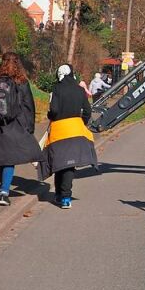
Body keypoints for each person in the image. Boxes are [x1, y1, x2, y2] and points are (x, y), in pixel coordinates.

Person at [0, 52, 43, 206]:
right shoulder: (21, 81)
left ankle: (2, 188)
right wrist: (29, 127)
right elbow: (28, 106)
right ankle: (4, 192)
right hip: (14, 124)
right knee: (9, 159)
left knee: (2, 158)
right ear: (18, 64)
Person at [40, 64, 97, 209]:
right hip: (76, 129)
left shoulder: (57, 89)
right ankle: (65, 197)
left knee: (60, 163)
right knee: (70, 165)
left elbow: (53, 110)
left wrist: (50, 116)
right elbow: (88, 111)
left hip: (59, 130)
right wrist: (81, 122)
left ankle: (61, 194)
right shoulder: (79, 90)